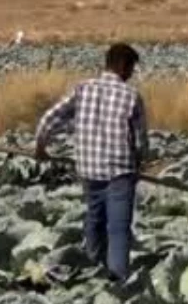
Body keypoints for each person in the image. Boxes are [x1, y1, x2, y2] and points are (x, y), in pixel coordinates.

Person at [35, 43, 148, 283]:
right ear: (123, 66)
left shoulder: (82, 89)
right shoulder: (131, 96)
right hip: (120, 173)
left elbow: (49, 118)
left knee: (94, 222)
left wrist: (40, 147)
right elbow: (140, 142)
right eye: (131, 69)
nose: (131, 74)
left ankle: (92, 273)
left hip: (90, 171)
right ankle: (117, 282)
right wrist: (138, 166)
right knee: (118, 229)